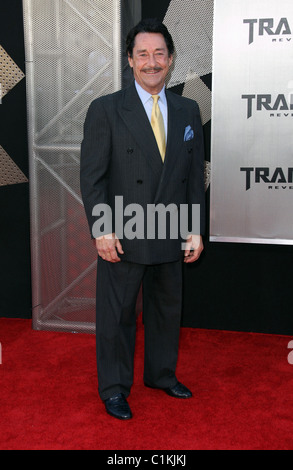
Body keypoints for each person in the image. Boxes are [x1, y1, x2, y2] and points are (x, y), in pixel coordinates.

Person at [80, 18, 205, 420]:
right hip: (124, 229)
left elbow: (191, 176)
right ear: (130, 61)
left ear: (170, 60)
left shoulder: (188, 109)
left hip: (171, 226)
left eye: (159, 54)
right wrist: (102, 229)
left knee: (167, 308)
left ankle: (161, 375)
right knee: (116, 316)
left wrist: (195, 229)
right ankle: (114, 388)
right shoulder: (106, 109)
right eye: (143, 55)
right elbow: (92, 177)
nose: (152, 62)